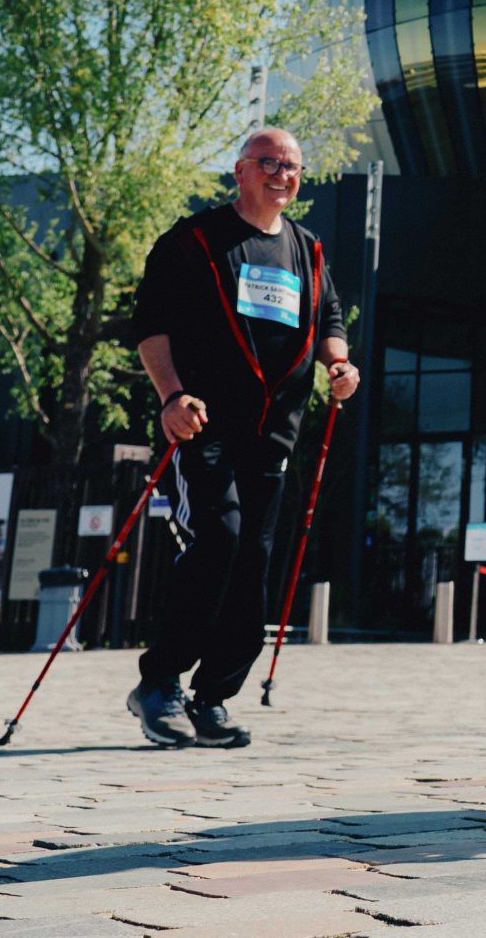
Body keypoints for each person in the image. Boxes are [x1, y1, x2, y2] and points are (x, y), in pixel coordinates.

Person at [125, 127, 361, 747]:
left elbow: (330, 318)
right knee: (219, 539)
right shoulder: (194, 241)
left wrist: (339, 364)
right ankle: (159, 683)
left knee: (252, 562)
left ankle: (213, 697)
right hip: (202, 425)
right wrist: (171, 397)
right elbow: (151, 325)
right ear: (240, 171)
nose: (282, 175)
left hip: (272, 435)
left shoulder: (307, 251)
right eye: (269, 163)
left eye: (292, 167)